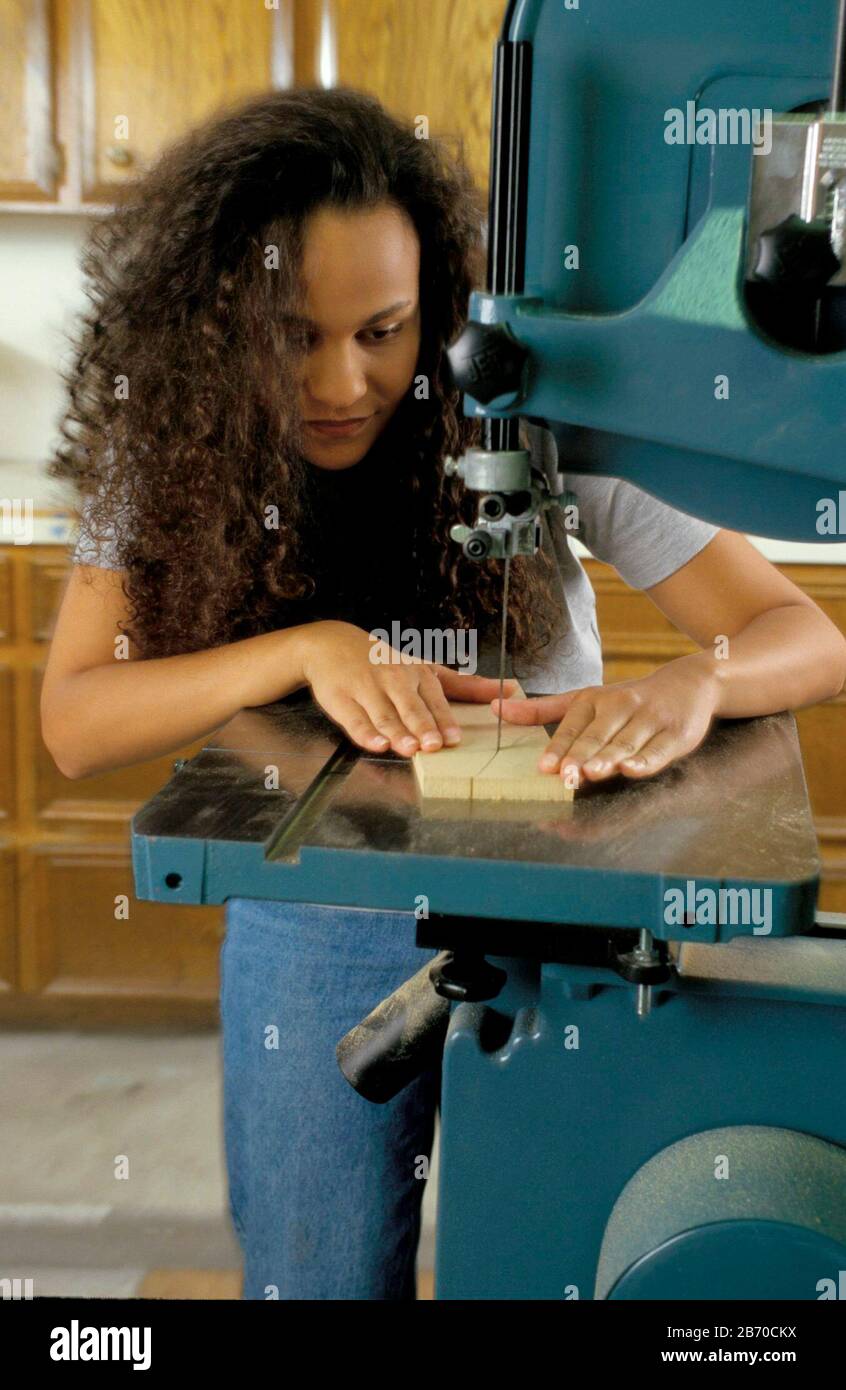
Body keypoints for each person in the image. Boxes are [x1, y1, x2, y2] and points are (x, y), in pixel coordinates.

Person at [41, 87, 846, 1300]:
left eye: (384, 330)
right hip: (320, 908)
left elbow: (805, 638)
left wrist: (698, 681)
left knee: (551, 1257)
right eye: (295, 335)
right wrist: (302, 647)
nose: (342, 381)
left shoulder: (539, 409)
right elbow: (73, 721)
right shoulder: (168, 447)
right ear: (218, 324)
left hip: (564, 895)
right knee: (316, 1281)